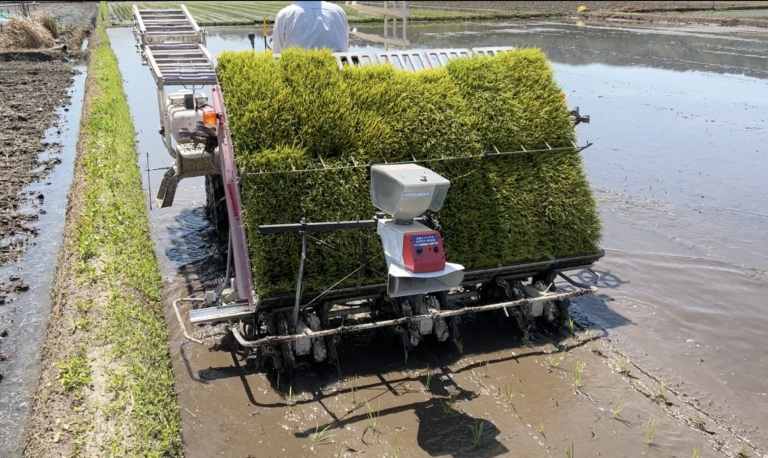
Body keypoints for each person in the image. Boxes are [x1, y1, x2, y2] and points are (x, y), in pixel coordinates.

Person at [272, 1, 349, 54]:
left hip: (297, 74)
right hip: (336, 73)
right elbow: (345, 50)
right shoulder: (339, 12)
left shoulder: (285, 15)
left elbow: (277, 54)